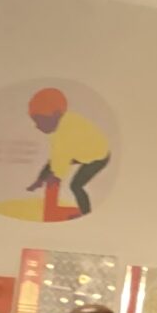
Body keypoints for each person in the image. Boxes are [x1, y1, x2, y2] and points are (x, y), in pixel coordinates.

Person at [24, 87, 111, 217]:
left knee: (76, 186)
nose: (37, 126)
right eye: (36, 122)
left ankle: (85, 213)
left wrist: (56, 177)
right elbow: (57, 156)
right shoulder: (60, 127)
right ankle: (39, 181)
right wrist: (44, 177)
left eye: (40, 121)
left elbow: (63, 158)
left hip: (98, 156)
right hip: (82, 151)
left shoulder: (68, 129)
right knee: (52, 163)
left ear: (55, 115)